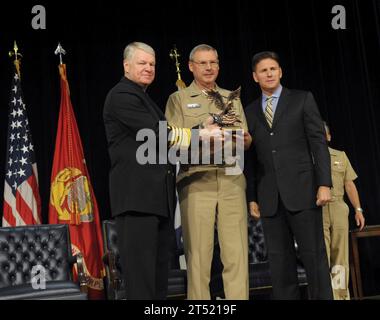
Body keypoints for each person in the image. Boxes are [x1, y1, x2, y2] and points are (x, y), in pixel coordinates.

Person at [103, 42, 222, 299]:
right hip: (137, 203)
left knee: (157, 283)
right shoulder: (122, 95)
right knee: (142, 283)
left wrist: (202, 125)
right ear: (126, 65)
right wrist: (201, 133)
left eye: (152, 64)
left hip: (156, 202)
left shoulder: (142, 97)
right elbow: (158, 134)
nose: (148, 68)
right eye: (142, 63)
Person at [244, 51, 333, 299]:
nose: (269, 73)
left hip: (304, 192)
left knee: (314, 259)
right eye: (264, 70)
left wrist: (324, 183)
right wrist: (252, 196)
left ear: (280, 71)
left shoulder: (302, 100)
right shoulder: (249, 112)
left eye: (273, 68)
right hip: (270, 198)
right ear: (255, 76)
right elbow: (249, 159)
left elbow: (318, 144)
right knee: (280, 266)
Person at [165, 44, 252, 300]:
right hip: (196, 181)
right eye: (203, 63)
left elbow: (245, 138)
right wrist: (202, 135)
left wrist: (244, 139)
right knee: (199, 257)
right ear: (191, 66)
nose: (209, 67)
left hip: (231, 179)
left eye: (213, 62)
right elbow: (171, 141)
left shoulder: (230, 97)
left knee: (236, 254)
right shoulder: (178, 99)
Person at [322, 122, 365, 300]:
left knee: (340, 257)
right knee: (322, 257)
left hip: (339, 208)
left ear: (329, 136)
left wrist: (358, 209)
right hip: (318, 210)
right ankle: (326, 295)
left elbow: (349, 184)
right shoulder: (307, 157)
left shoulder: (340, 156)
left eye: (323, 133)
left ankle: (340, 296)